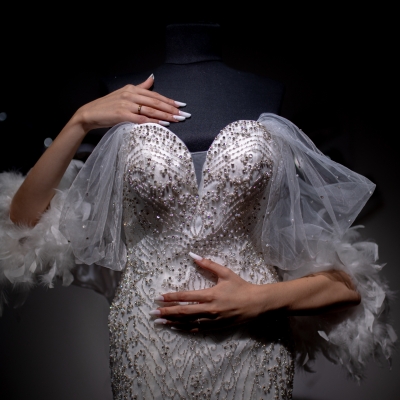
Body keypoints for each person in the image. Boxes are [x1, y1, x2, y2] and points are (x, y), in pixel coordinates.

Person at [0, 72, 396, 400]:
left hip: (254, 342)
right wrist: (81, 119)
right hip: (149, 341)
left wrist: (258, 300)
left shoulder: (263, 91)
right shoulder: (120, 97)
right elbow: (23, 220)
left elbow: (348, 287)